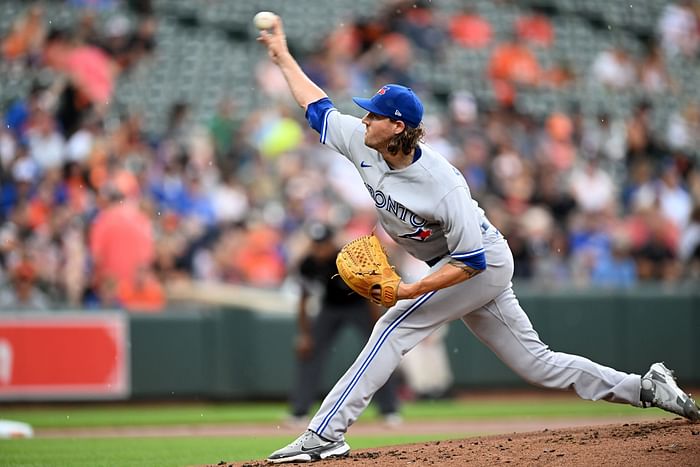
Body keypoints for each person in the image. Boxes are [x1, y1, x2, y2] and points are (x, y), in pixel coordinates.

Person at [257, 15, 699, 464]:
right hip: (457, 263)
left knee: (394, 324)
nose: (364, 118)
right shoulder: (361, 141)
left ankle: (325, 433)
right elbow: (317, 106)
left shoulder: (442, 184)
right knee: (537, 364)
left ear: (396, 127)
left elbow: (471, 262)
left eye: (373, 113)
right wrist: (284, 57)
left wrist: (411, 290)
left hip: (479, 260)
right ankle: (645, 387)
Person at [288, 222, 399, 426]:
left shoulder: (349, 259)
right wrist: (305, 335)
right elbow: (303, 300)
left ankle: (389, 410)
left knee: (378, 352)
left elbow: (371, 294)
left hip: (360, 306)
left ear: (332, 243)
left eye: (323, 244)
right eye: (316, 244)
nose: (319, 249)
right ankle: (299, 411)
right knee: (309, 353)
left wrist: (376, 325)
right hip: (330, 308)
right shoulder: (308, 263)